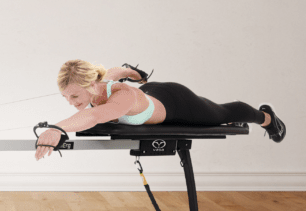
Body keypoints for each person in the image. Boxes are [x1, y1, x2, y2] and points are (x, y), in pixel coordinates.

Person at [35, 60, 286, 160]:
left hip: (178, 102)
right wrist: (135, 73)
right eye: (65, 97)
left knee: (222, 114)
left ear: (90, 85)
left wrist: (57, 128)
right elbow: (117, 72)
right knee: (222, 115)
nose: (71, 102)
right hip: (152, 91)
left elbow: (96, 115)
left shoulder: (122, 97)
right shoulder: (99, 82)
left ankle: (266, 117)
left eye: (75, 96)